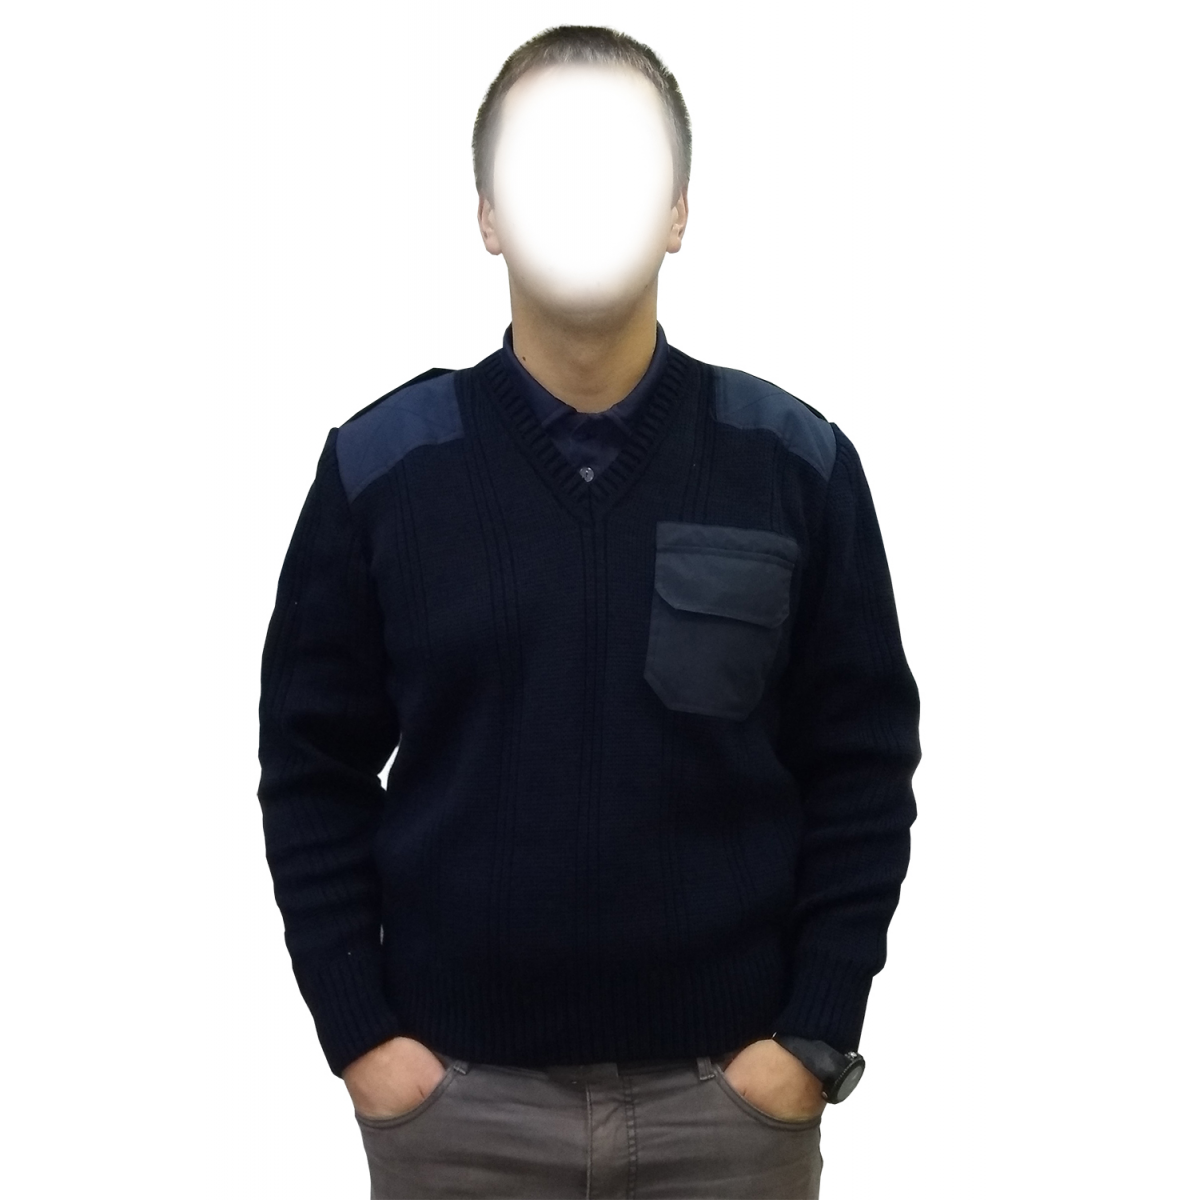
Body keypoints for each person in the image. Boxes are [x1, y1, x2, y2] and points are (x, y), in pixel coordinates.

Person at [257, 23, 921, 1200]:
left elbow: (861, 767)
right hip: (458, 1118)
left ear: (679, 211)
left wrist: (814, 1038)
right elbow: (310, 767)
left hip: (728, 1114)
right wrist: (362, 1038)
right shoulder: (380, 471)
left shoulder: (795, 466)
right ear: (486, 214)